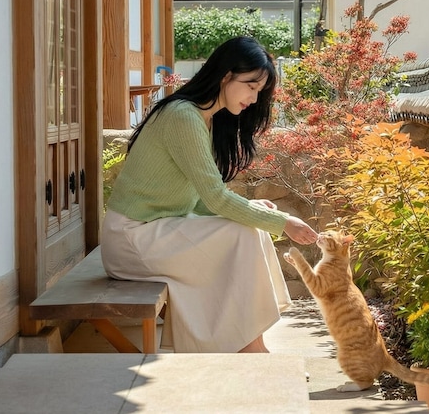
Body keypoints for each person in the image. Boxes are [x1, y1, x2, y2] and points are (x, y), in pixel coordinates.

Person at [101, 36, 318, 354]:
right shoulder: (182, 116)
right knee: (241, 235)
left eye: (259, 91)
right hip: (131, 238)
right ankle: (250, 350)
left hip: (158, 229)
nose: (254, 98)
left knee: (246, 231)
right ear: (226, 75)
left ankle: (250, 345)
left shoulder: (205, 120)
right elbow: (215, 198)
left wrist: (253, 209)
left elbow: (199, 199)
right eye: (251, 86)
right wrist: (282, 221)